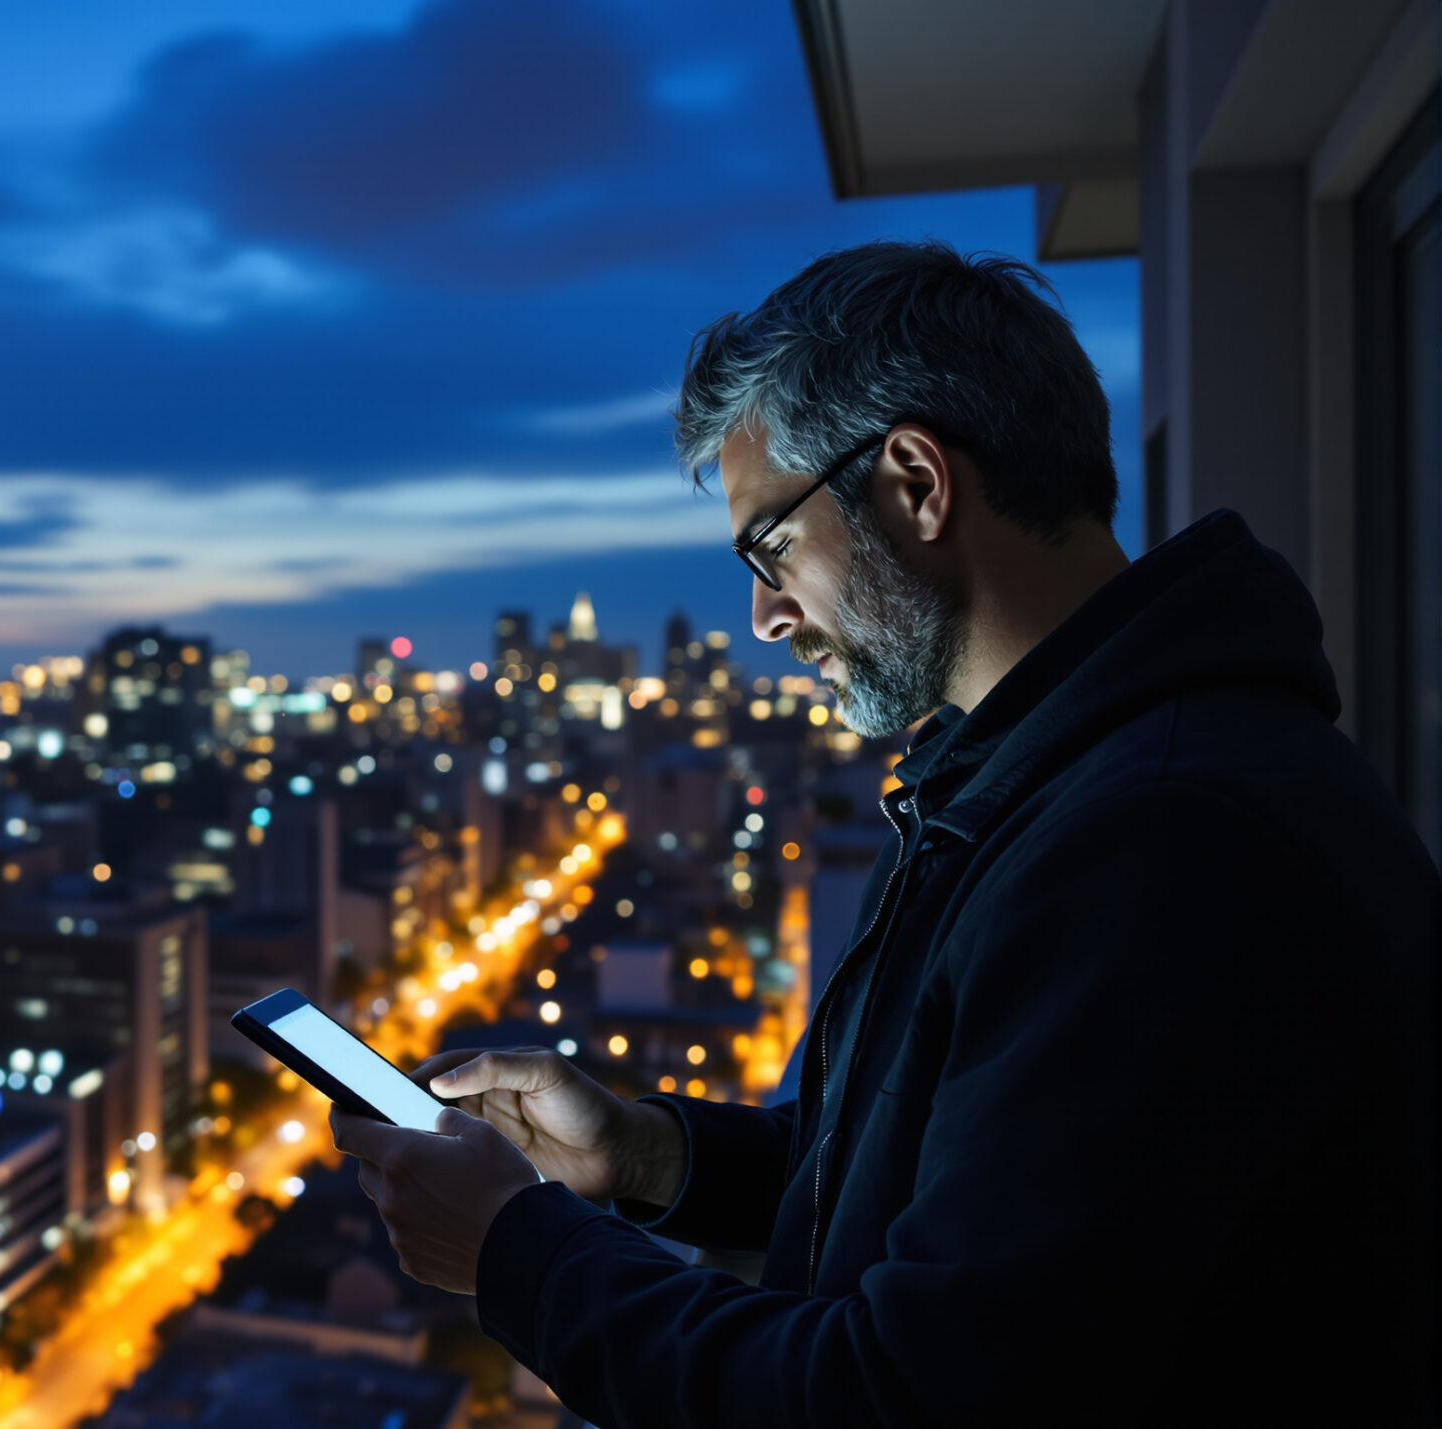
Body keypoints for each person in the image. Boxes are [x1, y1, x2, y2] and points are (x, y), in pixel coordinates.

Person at [330, 240, 1438, 1427]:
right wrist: (643, 1159)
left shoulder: (1160, 839)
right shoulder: (1044, 781)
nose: (762, 616)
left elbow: (913, 1396)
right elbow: (954, 1170)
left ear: (914, 481)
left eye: (770, 548)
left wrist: (516, 1253)